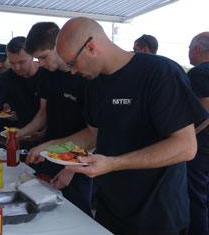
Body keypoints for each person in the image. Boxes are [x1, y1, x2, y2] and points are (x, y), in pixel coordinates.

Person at [27, 17, 207, 234]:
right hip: (110, 210)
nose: (72, 71)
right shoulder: (94, 85)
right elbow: (92, 134)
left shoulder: (160, 72)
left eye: (72, 63)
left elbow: (186, 146)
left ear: (91, 48)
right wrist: (49, 148)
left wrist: (113, 163)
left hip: (156, 215)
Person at [20, 21, 92, 216]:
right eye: (37, 59)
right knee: (45, 211)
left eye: (43, 57)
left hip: (79, 160)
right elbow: (42, 115)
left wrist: (72, 169)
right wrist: (20, 133)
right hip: (50, 154)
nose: (40, 64)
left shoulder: (85, 77)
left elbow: (95, 134)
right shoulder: (46, 74)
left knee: (77, 215)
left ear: (58, 46)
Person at [186, 31, 209, 235]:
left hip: (201, 147)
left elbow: (204, 112)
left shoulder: (199, 73)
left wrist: (187, 138)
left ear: (197, 49)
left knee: (195, 195)